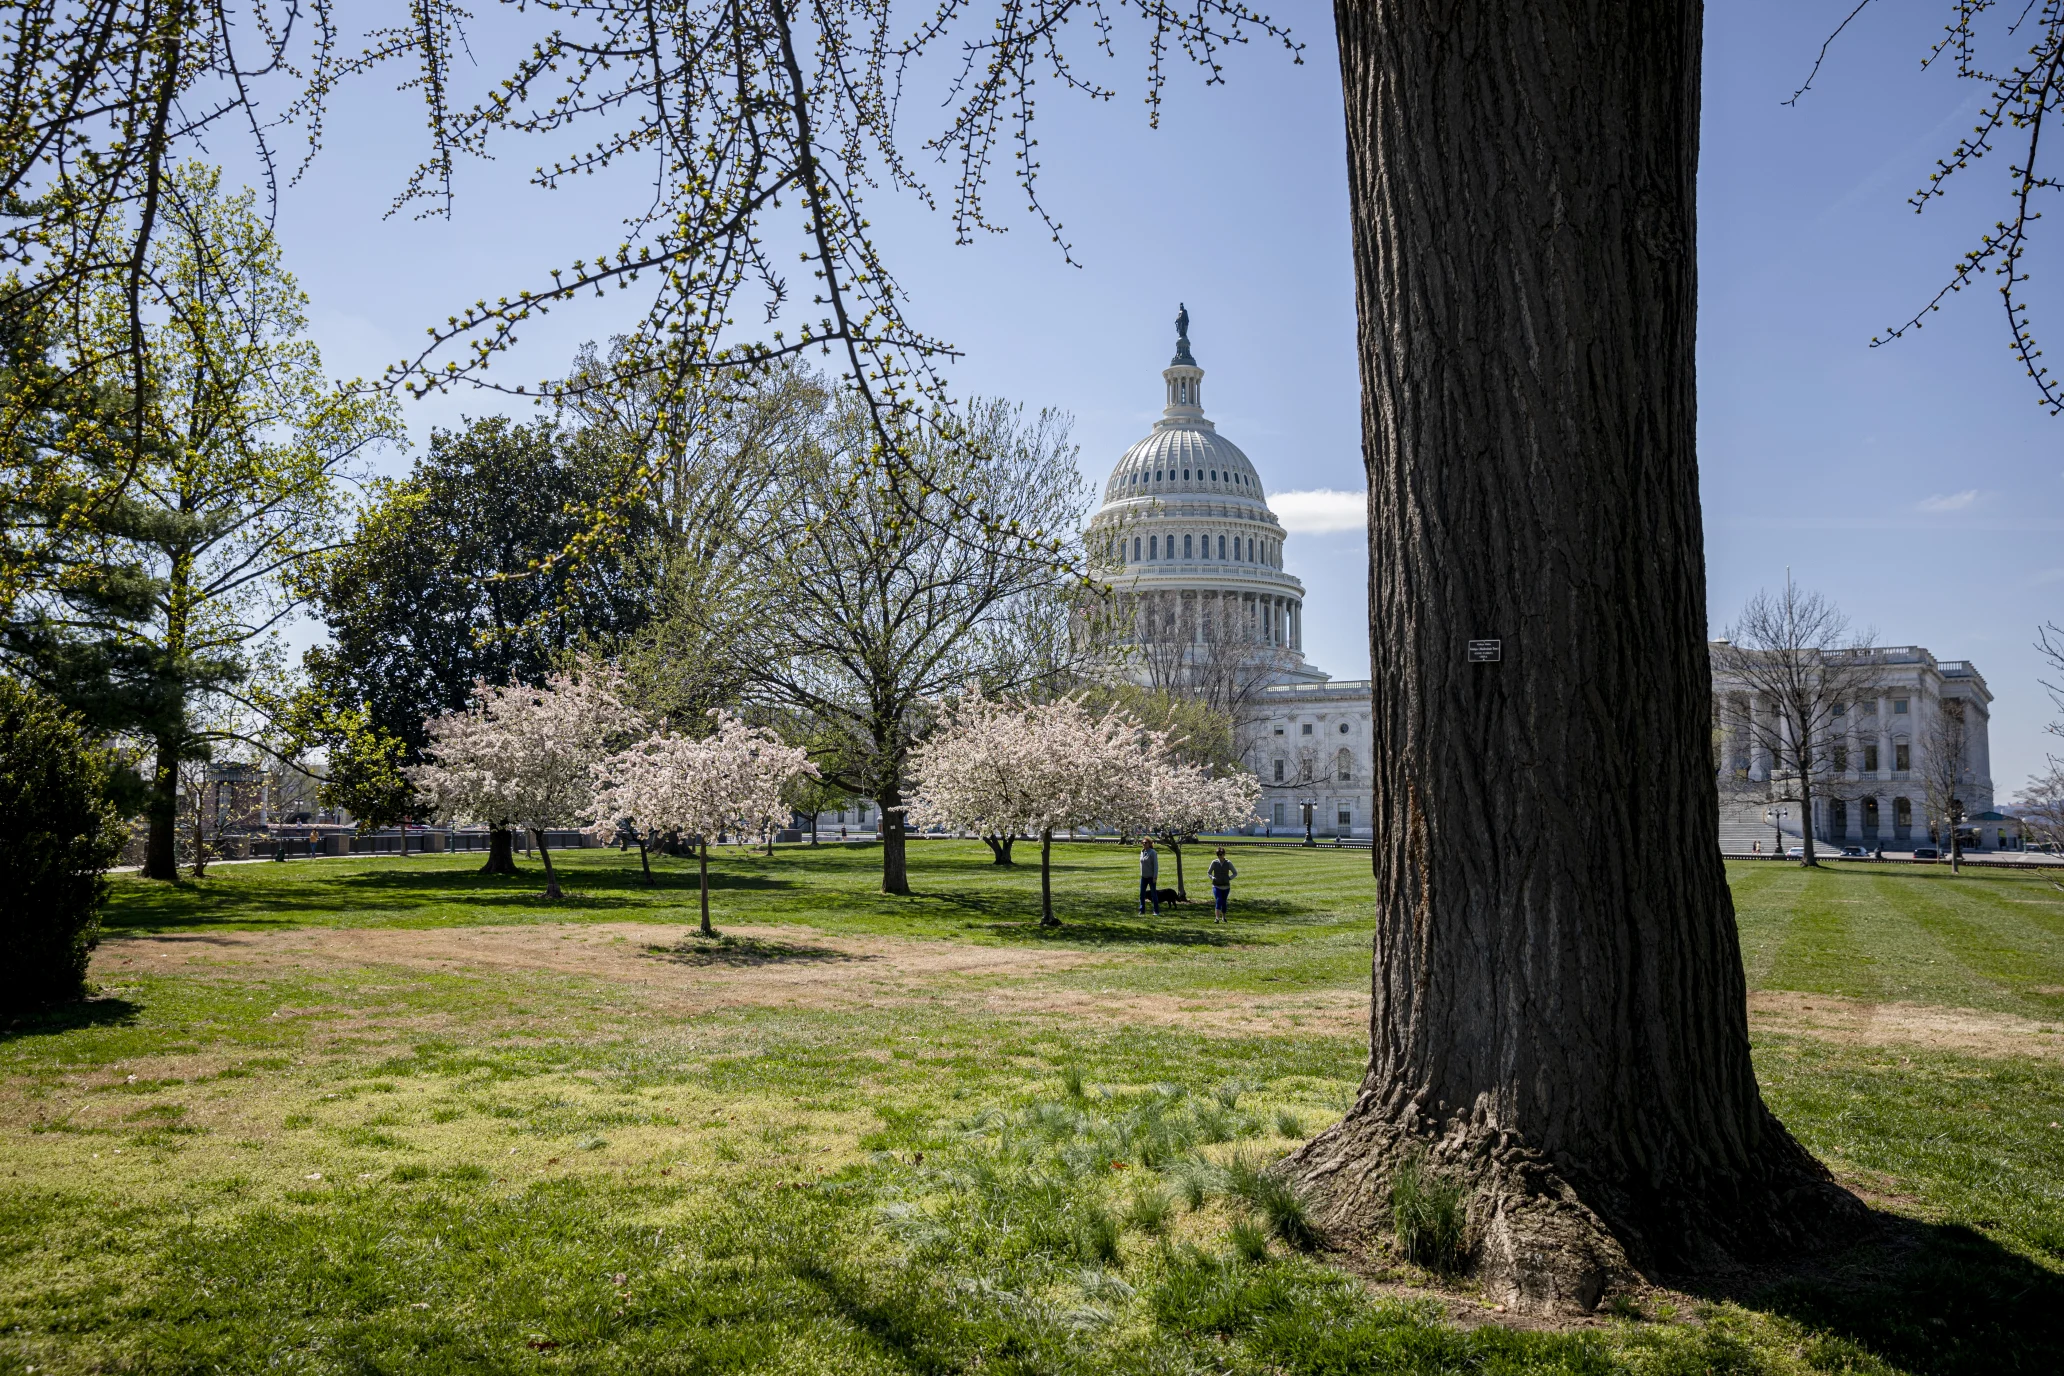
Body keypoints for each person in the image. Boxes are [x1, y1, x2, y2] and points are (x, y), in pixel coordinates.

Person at [1206, 846, 1238, 923]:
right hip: (1216, 885)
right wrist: (1212, 877)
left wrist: (1229, 878)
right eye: (1218, 855)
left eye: (1221, 854)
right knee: (1219, 900)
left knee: (1224, 902)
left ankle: (1224, 917)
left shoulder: (1228, 863)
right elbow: (1209, 872)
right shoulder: (1214, 862)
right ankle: (1217, 918)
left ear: (1224, 854)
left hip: (1226, 886)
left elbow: (1235, 873)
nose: (1220, 856)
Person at [1138, 839, 1161, 915]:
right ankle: (1142, 910)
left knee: (1153, 894)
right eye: (1143, 843)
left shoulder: (1153, 852)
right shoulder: (1142, 852)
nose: (1144, 844)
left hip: (1151, 877)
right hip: (1143, 876)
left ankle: (1156, 911)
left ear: (1149, 843)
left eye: (1145, 843)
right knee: (1142, 894)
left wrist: (1155, 876)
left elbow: (1156, 865)